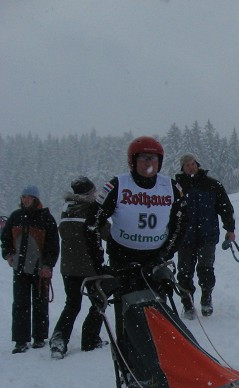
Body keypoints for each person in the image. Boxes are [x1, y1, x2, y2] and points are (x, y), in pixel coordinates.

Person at [84, 136, 186, 354]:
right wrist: (99, 266)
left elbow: (180, 225)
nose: (149, 163)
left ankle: (165, 364)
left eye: (154, 159)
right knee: (128, 317)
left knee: (158, 315)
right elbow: (92, 224)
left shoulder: (171, 187)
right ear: (133, 161)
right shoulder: (117, 185)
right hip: (122, 261)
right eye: (143, 158)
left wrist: (162, 256)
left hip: (155, 261)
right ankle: (131, 367)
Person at [49, 177, 107, 359]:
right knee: (99, 302)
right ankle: (90, 338)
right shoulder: (93, 210)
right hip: (91, 266)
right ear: (90, 193)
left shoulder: (66, 209)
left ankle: (59, 339)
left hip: (68, 267)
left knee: (72, 304)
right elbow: (108, 233)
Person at [173, 153, 236, 318]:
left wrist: (230, 229)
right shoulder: (176, 187)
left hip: (207, 236)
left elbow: (225, 208)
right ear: (182, 168)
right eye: (187, 165)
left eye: (193, 163)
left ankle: (206, 299)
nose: (191, 167)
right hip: (185, 238)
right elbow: (168, 212)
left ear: (197, 164)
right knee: (184, 272)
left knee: (206, 270)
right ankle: (187, 304)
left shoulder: (212, 184)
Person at [1, 185, 59, 353]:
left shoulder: (46, 218)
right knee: (20, 304)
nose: (26, 199)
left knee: (40, 303)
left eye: (29, 197)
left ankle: (39, 338)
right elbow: (5, 239)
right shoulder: (15, 217)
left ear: (36, 199)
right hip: (19, 268)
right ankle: (20, 340)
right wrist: (8, 254)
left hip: (40, 269)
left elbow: (53, 245)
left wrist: (47, 265)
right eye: (24, 196)